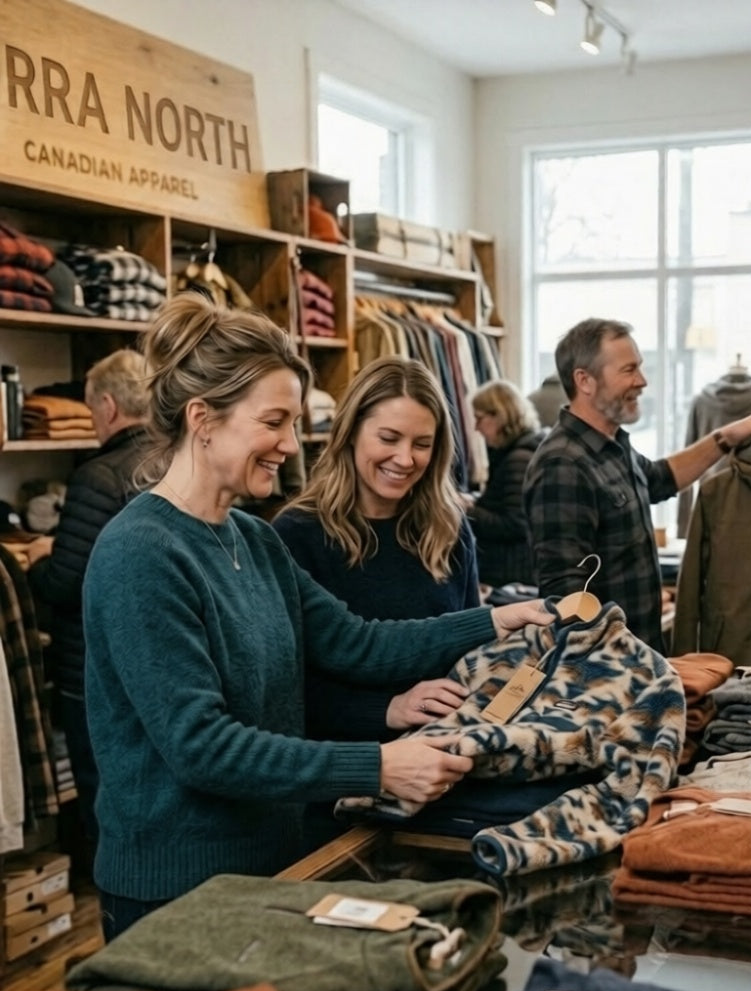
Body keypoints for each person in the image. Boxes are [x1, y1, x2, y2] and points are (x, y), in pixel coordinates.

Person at [81, 294, 551, 942]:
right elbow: (202, 746)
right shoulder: (140, 554)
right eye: (274, 422)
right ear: (203, 419)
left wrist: (497, 621)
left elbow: (357, 642)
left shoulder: (253, 539)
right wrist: (378, 765)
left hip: (278, 863)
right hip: (176, 892)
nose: (289, 444)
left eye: (294, 422)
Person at [524, 317, 751, 653]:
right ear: (584, 381)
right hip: (609, 667)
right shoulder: (563, 464)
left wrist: (726, 437)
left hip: (640, 656)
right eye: (629, 370)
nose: (641, 381)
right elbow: (567, 600)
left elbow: (660, 478)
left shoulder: (612, 447)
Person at [273, 356, 479, 747]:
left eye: (422, 444)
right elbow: (285, 685)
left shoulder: (448, 528)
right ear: (351, 431)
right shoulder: (297, 534)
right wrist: (387, 708)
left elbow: (472, 653)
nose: (405, 459)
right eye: (388, 438)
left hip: (449, 750)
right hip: (349, 762)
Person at [26, 349, 151, 857]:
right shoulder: (170, 460)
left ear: (108, 406)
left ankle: (113, 886)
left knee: (104, 793)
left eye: (91, 407)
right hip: (152, 656)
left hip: (95, 667)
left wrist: (38, 560)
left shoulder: (99, 476)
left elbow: (68, 582)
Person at [461, 379, 544, 587]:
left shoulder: (518, 460)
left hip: (511, 573)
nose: (476, 427)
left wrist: (467, 510)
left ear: (499, 415)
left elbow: (514, 524)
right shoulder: (521, 452)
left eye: (479, 418)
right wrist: (476, 500)